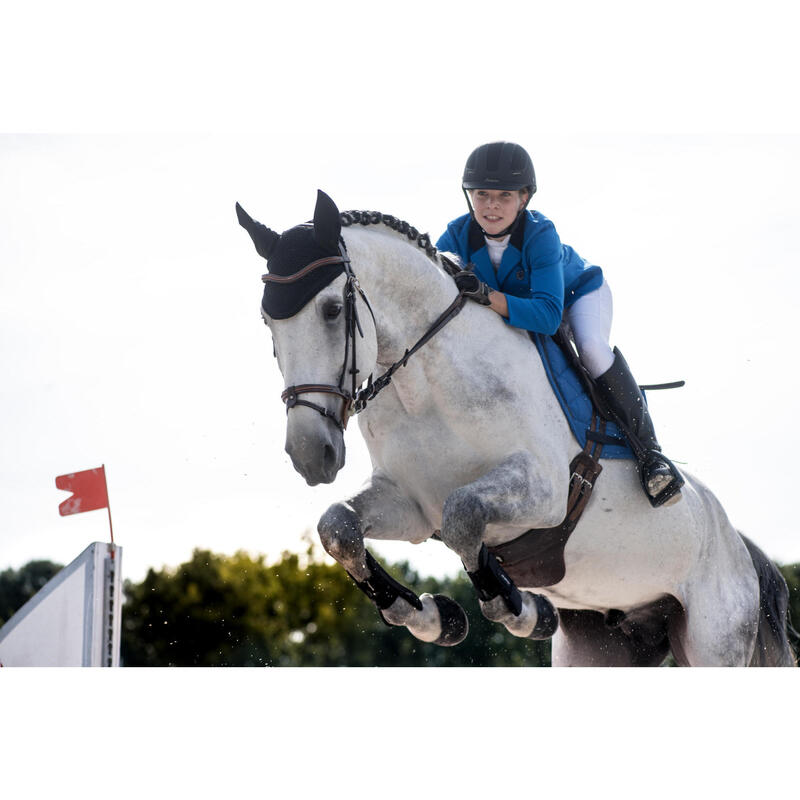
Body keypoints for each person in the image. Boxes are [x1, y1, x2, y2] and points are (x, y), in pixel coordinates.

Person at [436, 141, 683, 507]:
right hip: (522, 309)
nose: (490, 205)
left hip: (576, 296)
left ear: (524, 198)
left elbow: (549, 317)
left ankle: (651, 456)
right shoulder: (455, 236)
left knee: (593, 351)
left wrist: (487, 296)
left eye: (503, 196)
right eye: (481, 194)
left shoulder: (540, 233)